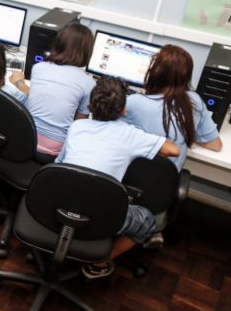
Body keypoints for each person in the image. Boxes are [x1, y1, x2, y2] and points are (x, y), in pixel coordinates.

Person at [56, 76, 180, 279]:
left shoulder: (77, 126)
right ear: (123, 110)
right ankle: (100, 261)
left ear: (90, 105)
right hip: (99, 219)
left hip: (60, 206)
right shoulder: (130, 135)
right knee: (147, 221)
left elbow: (58, 165)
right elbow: (173, 150)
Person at [123, 45, 222, 170]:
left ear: (155, 72)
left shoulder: (133, 102)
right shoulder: (194, 101)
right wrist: (184, 134)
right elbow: (216, 145)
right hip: (168, 179)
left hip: (129, 175)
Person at [13, 22, 96, 161]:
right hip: (53, 154)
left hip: (25, 140)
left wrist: (19, 83)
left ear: (59, 43)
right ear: (87, 51)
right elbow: (79, 126)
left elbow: (41, 98)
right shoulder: (89, 83)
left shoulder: (38, 67)